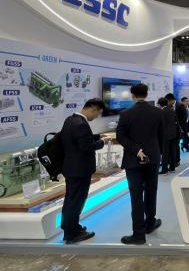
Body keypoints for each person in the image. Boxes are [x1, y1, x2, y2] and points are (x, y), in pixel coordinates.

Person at [117, 84, 165, 245]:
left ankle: (138, 234)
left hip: (133, 160)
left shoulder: (125, 114)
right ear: (146, 94)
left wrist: (136, 150)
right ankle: (150, 223)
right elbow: (162, 136)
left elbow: (120, 137)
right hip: (153, 158)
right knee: (151, 191)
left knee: (136, 196)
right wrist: (158, 153)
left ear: (132, 95)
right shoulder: (158, 112)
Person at [60, 98, 109, 244]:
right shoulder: (81, 124)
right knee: (76, 201)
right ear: (93, 108)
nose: (96, 117)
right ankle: (72, 234)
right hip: (80, 169)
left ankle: (70, 227)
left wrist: (97, 136)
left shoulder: (70, 120)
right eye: (97, 113)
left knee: (70, 200)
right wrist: (102, 142)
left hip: (71, 168)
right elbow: (86, 147)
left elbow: (79, 140)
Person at [158, 97, 179, 175]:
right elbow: (176, 122)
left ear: (160, 104)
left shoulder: (161, 112)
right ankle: (172, 168)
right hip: (173, 134)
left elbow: (160, 124)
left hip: (165, 135)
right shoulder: (171, 110)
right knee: (172, 151)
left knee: (165, 153)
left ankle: (165, 170)